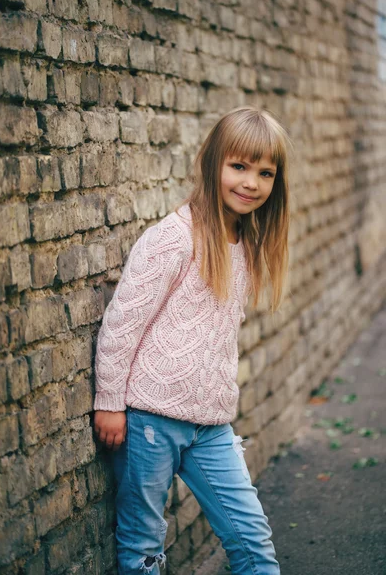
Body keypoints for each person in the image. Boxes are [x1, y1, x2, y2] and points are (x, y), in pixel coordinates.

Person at [93, 106, 291, 575]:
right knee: (143, 545)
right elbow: (123, 323)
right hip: (149, 420)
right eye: (239, 167)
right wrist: (109, 401)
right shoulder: (173, 239)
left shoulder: (245, 243)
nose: (251, 183)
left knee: (251, 538)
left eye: (265, 173)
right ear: (213, 163)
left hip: (211, 425)